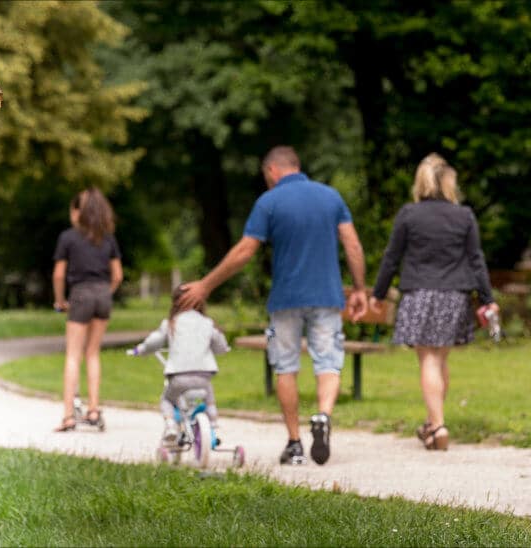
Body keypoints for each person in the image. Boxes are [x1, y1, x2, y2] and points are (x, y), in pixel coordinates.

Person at [179, 146, 367, 466]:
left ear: (272, 171)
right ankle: (322, 416)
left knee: (285, 367)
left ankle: (294, 443)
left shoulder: (268, 202)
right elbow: (351, 242)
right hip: (327, 296)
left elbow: (244, 251)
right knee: (329, 363)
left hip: (286, 300)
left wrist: (206, 285)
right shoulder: (331, 197)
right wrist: (360, 288)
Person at [370, 154, 499, 450]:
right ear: (449, 183)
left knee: (427, 359)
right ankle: (432, 422)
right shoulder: (464, 215)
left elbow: (392, 257)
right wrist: (488, 299)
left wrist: (377, 295)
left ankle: (438, 426)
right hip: (455, 294)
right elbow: (476, 260)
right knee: (440, 359)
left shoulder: (408, 214)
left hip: (419, 293)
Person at [52, 188, 123, 431]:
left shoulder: (69, 238)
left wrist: (61, 300)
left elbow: (59, 274)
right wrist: (105, 294)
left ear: (80, 211)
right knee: (92, 353)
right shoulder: (108, 239)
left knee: (73, 355)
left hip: (80, 294)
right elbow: (118, 276)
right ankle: (93, 410)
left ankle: (69, 416)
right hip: (103, 294)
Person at [128, 286, 230, 443]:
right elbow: (220, 345)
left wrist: (139, 350)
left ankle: (170, 425)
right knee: (209, 397)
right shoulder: (207, 323)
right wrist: (224, 349)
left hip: (179, 376)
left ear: (175, 303)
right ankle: (214, 422)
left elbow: (153, 342)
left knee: (167, 399)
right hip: (204, 375)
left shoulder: (171, 323)